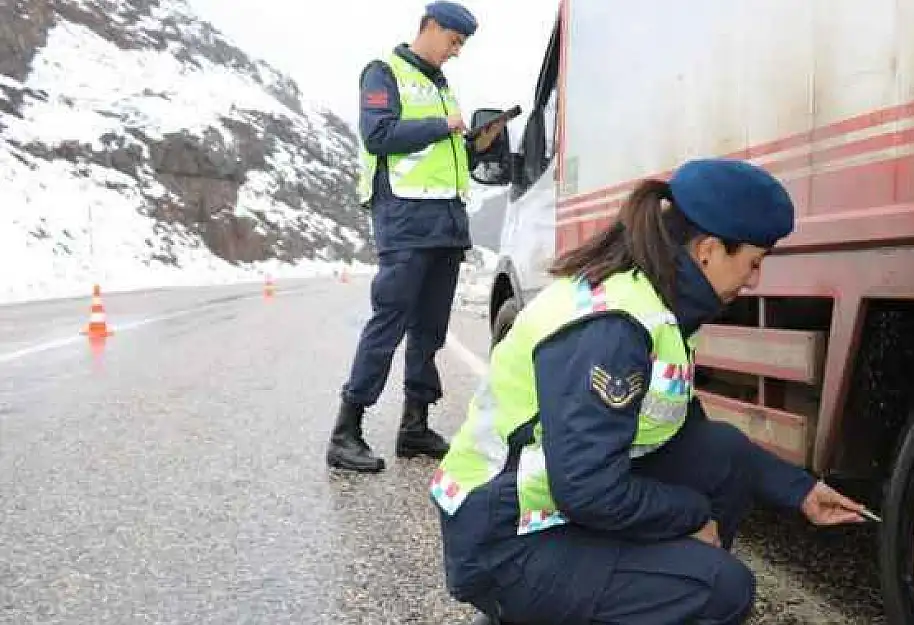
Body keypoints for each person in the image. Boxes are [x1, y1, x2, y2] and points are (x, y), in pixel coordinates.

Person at [430, 158, 869, 624]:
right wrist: (693, 517)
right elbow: (586, 489)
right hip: (505, 539)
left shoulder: (657, 301)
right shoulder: (614, 327)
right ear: (708, 251)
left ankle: (643, 585)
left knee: (721, 454)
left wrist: (800, 491)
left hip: (544, 507)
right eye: (753, 263)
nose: (754, 280)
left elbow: (680, 427)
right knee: (722, 589)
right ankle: (527, 609)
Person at [327, 1, 508, 473]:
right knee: (389, 323)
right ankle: (346, 431)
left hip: (446, 225)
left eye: (462, 45)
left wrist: (473, 146)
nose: (456, 51)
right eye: (453, 40)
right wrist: (442, 125)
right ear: (430, 26)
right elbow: (378, 135)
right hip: (405, 220)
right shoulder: (382, 72)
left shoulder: (441, 85)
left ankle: (414, 426)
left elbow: (444, 159)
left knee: (429, 329)